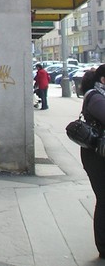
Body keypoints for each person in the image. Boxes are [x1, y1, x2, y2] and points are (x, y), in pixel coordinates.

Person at [79, 64, 105, 258]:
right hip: (96, 156)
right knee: (104, 199)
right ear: (103, 80)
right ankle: (103, 246)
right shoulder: (96, 98)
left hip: (98, 154)